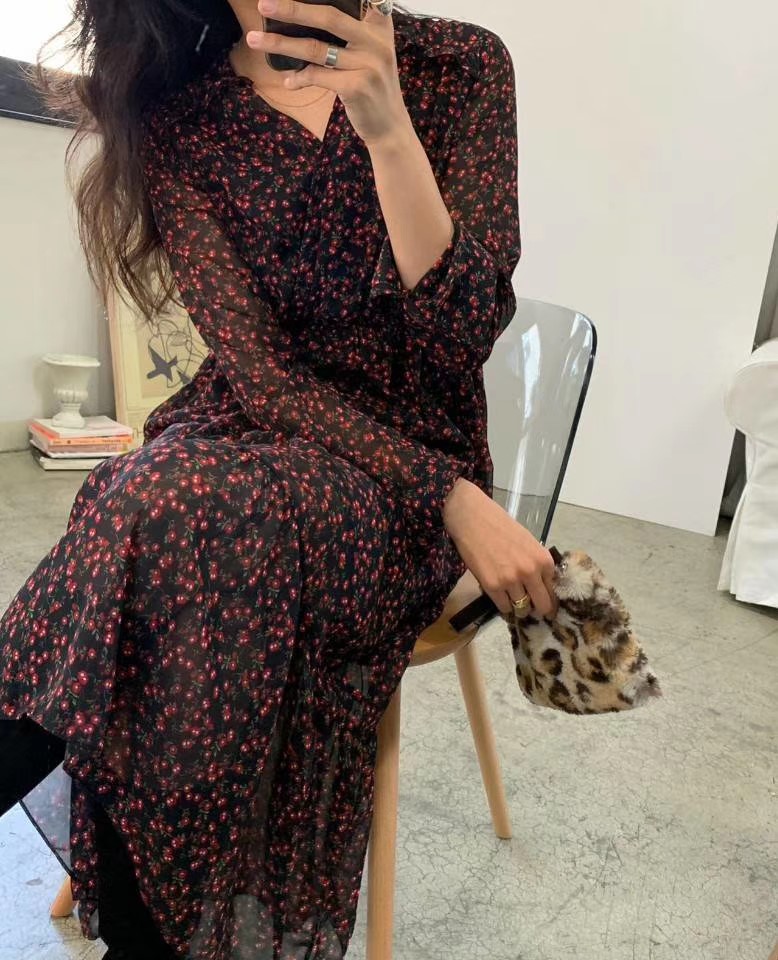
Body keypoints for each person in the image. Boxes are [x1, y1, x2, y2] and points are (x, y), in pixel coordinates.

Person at [0, 0, 557, 956]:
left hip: (400, 462)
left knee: (163, 513)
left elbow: (460, 341)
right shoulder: (184, 115)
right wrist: (457, 499)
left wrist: (388, 130)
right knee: (168, 506)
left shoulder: (459, 67)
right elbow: (258, 376)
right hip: (252, 431)